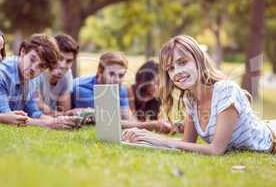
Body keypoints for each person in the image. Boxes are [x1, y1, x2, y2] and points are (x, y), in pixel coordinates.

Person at [123, 35, 276, 155]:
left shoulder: (226, 90)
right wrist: (145, 139)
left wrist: (156, 138)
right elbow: (187, 143)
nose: (177, 72)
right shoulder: (190, 98)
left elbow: (216, 150)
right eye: (170, 68)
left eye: (183, 62)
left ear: (198, 60)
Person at [69, 52, 178, 134]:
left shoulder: (120, 89)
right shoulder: (82, 89)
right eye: (111, 74)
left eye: (121, 76)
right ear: (99, 72)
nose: (117, 80)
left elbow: (131, 121)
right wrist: (152, 125)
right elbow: (106, 122)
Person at [0, 34, 78, 130]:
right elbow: (5, 116)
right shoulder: (2, 73)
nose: (33, 68)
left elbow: (34, 112)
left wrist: (60, 121)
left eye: (41, 66)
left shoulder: (33, 79)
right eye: (32, 59)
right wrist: (49, 124)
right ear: (23, 52)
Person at [36, 34, 79, 116]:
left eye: (69, 61)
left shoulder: (67, 75)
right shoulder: (37, 71)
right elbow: (34, 109)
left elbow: (64, 111)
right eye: (60, 58)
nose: (63, 65)